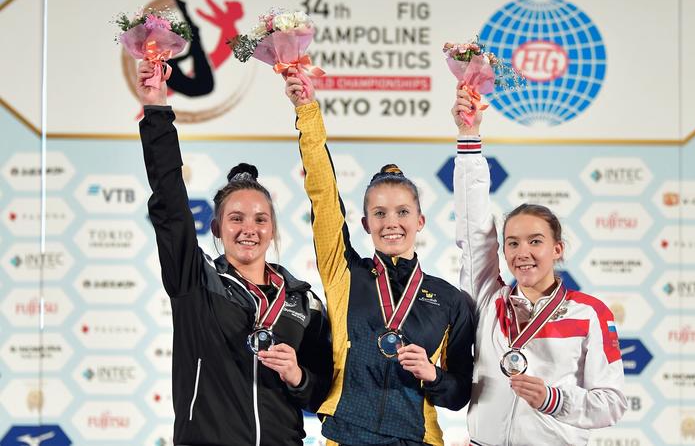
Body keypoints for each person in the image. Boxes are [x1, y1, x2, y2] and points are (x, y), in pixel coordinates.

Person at [136, 60, 332, 446]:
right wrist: (157, 110)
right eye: (236, 218)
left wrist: (298, 376)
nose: (249, 229)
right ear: (217, 228)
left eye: (260, 219)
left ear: (272, 229)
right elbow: (170, 202)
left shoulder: (304, 301)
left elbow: (322, 393)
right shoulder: (194, 280)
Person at [285, 70, 475, 446]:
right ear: (365, 222)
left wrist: (433, 376)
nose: (392, 222)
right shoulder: (344, 274)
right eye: (381, 213)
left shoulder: (450, 300)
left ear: (420, 220)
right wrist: (307, 110)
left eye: (403, 212)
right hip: (346, 435)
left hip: (417, 439)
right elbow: (323, 195)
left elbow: (459, 394)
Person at [451, 86, 627, 445]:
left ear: (557, 248)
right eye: (512, 243)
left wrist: (554, 399)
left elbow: (611, 402)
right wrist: (468, 136)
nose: (522, 253)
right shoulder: (489, 300)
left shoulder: (589, 313)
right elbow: (473, 231)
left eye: (535, 242)